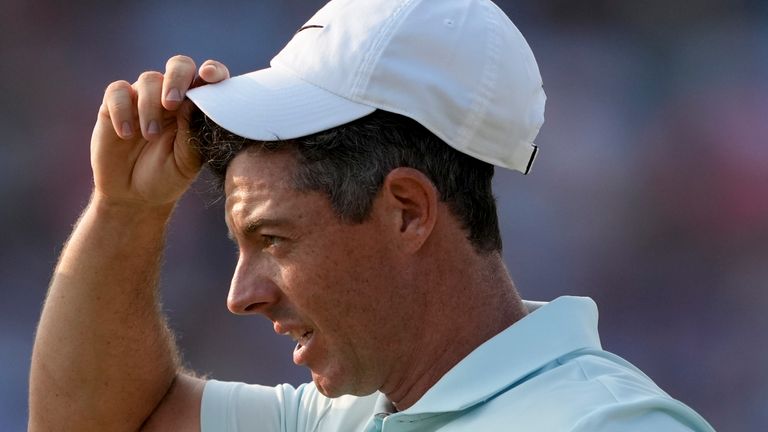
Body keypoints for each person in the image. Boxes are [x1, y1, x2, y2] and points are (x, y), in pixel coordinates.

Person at [29, 0, 716, 430]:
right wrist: (126, 210)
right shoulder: (346, 414)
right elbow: (94, 423)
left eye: (274, 238)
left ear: (409, 213)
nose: (242, 295)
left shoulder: (606, 425)